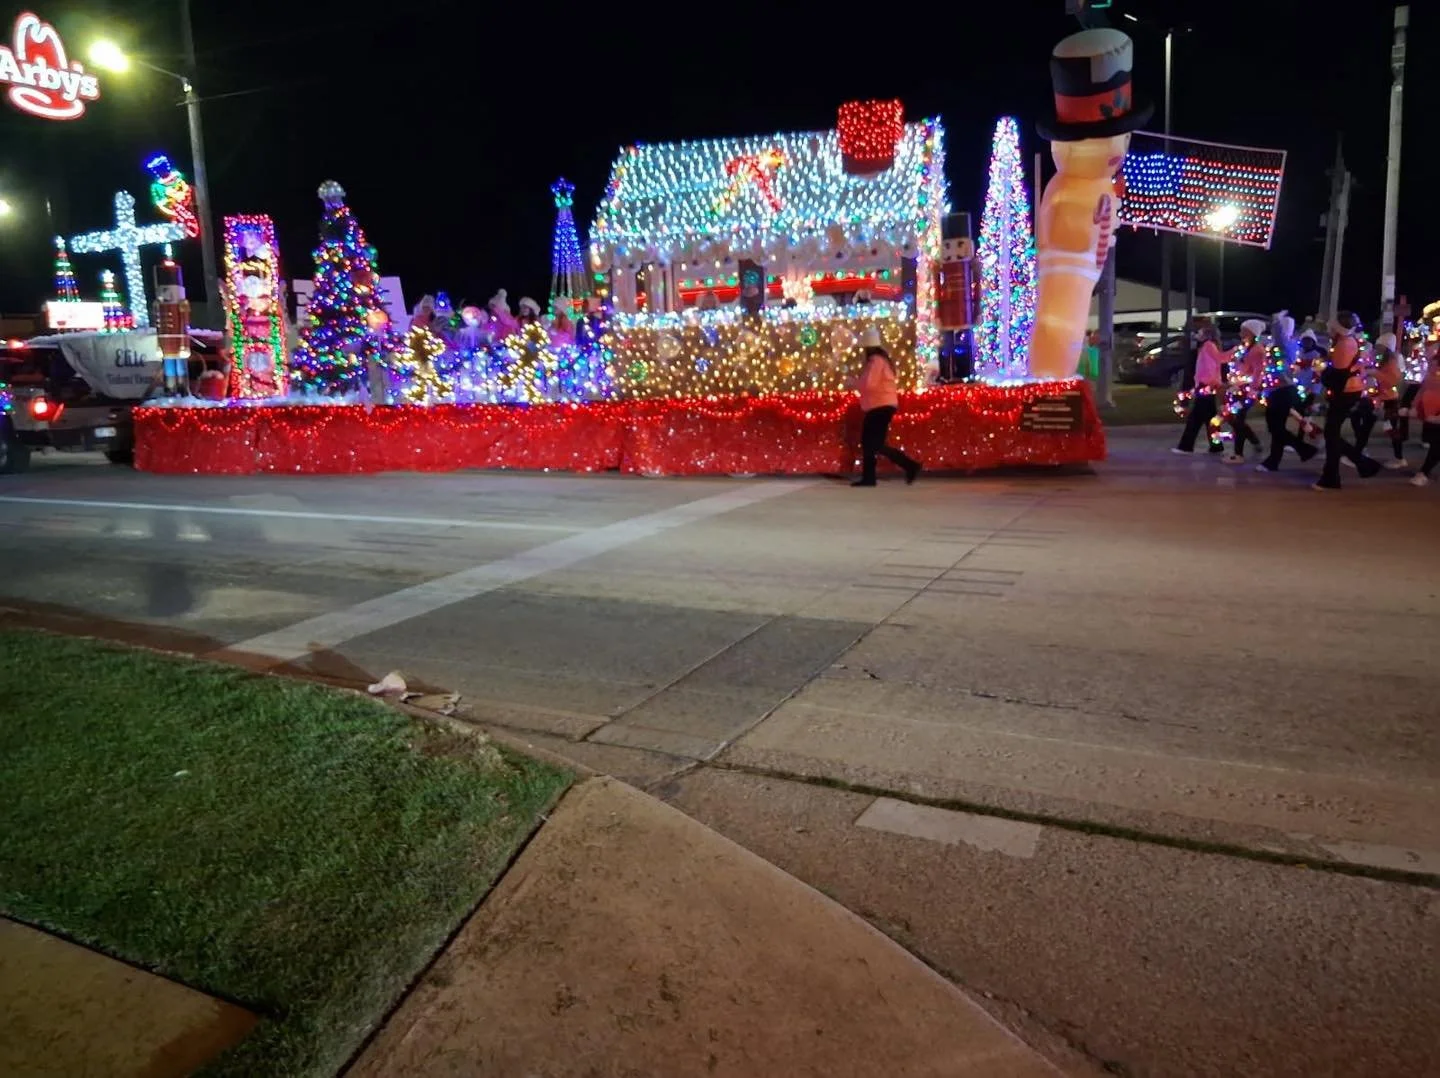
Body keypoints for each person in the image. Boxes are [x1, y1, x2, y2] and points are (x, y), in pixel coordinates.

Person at [1314, 311, 1381, 491]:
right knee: (1331, 433)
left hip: (1346, 392)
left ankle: (1332, 477)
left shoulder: (1344, 344)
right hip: (1348, 390)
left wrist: (1322, 373)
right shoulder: (1346, 341)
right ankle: (1362, 464)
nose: (1328, 327)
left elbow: (1339, 374)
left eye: (1331, 324)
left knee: (1331, 433)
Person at [851, 331, 921, 487]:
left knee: (872, 443)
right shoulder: (882, 360)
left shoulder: (875, 361)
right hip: (883, 406)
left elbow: (869, 383)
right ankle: (873, 476)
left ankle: (908, 466)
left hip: (878, 406)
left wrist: (854, 382)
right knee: (873, 443)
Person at [1255, 312, 1318, 472]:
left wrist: (1276, 320)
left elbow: (1278, 335)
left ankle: (1303, 449)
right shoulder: (1286, 346)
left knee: (1276, 427)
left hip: (1281, 390)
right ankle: (1274, 461)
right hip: (1278, 390)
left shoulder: (1285, 345)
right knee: (1277, 428)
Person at [1351, 333, 1407, 468]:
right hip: (1374, 398)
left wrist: (1374, 373)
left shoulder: (1392, 361)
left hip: (1387, 400)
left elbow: (1393, 381)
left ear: (1387, 348)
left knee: (1389, 429)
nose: (1377, 348)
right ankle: (1359, 452)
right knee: (1358, 419)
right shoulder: (1378, 358)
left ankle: (1399, 458)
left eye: (1380, 346)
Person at [1173, 322, 1225, 454]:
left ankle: (1186, 446)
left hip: (1205, 386)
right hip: (1207, 386)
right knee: (1209, 418)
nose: (1197, 335)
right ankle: (1216, 446)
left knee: (1196, 418)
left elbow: (1208, 368)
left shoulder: (1207, 347)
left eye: (1200, 332)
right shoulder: (1207, 347)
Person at [1223, 319, 1267, 463]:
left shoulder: (1257, 350)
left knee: (1238, 419)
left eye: (1244, 330)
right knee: (1233, 418)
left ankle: (1238, 454)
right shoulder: (1244, 348)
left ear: (1252, 333)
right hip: (1237, 389)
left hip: (1247, 392)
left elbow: (1258, 372)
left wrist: (1253, 389)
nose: (1240, 333)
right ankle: (1254, 441)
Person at [1408, 349, 1440, 487]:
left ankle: (1424, 472)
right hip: (1430, 412)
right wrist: (1415, 405)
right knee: (1434, 443)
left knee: (1437, 445)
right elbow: (1424, 387)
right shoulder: (1434, 363)